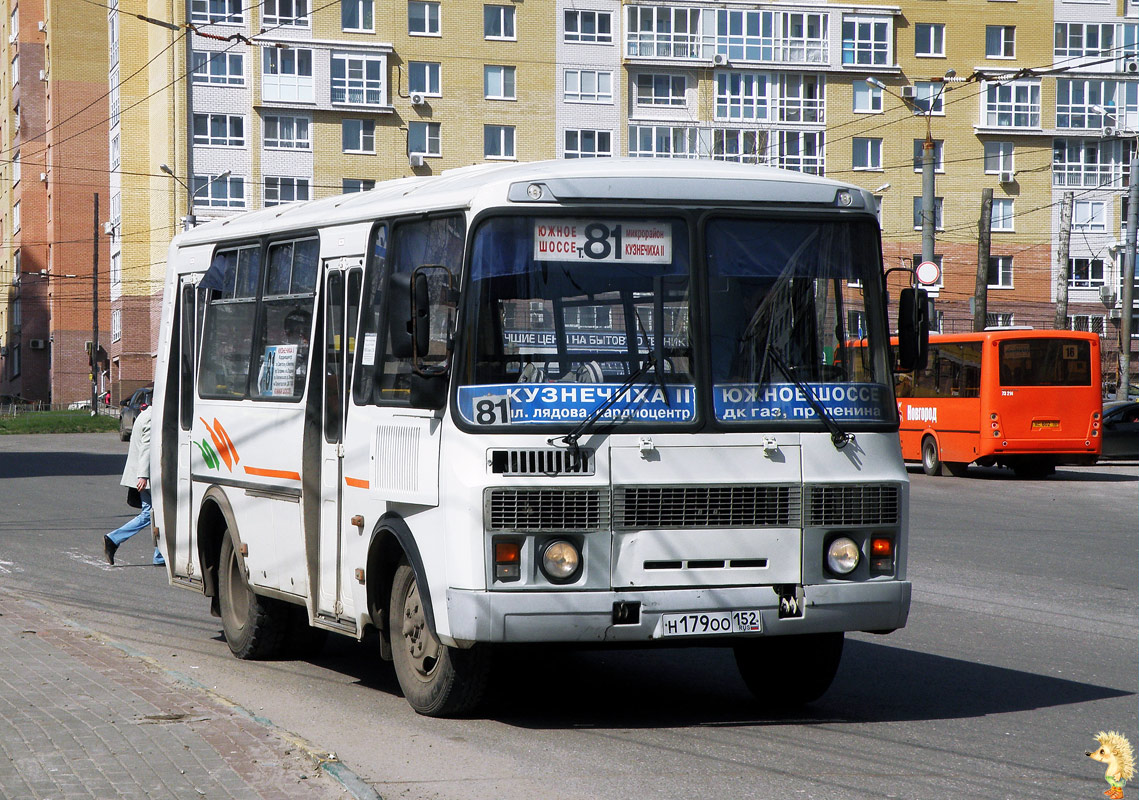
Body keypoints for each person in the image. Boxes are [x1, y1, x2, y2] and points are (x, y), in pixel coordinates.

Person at [103, 403, 164, 566]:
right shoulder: (153, 417)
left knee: (156, 514)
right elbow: (147, 447)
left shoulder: (145, 414)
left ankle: (160, 554)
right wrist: (143, 475)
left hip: (144, 475)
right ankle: (113, 538)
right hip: (147, 476)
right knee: (152, 514)